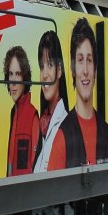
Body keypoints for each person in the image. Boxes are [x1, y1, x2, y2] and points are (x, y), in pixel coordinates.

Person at [45, 18, 108, 169]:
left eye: (89, 60)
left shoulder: (105, 131)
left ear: (95, 69)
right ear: (73, 69)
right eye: (80, 60)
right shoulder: (62, 136)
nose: (85, 71)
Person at [32, 30, 70, 172]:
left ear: (59, 71)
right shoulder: (42, 123)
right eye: (42, 67)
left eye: (50, 65)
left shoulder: (66, 123)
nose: (45, 75)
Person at [4, 46, 39, 176]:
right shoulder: (14, 113)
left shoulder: (32, 116)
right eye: (10, 74)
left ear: (25, 78)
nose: (12, 82)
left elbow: (34, 169)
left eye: (18, 74)